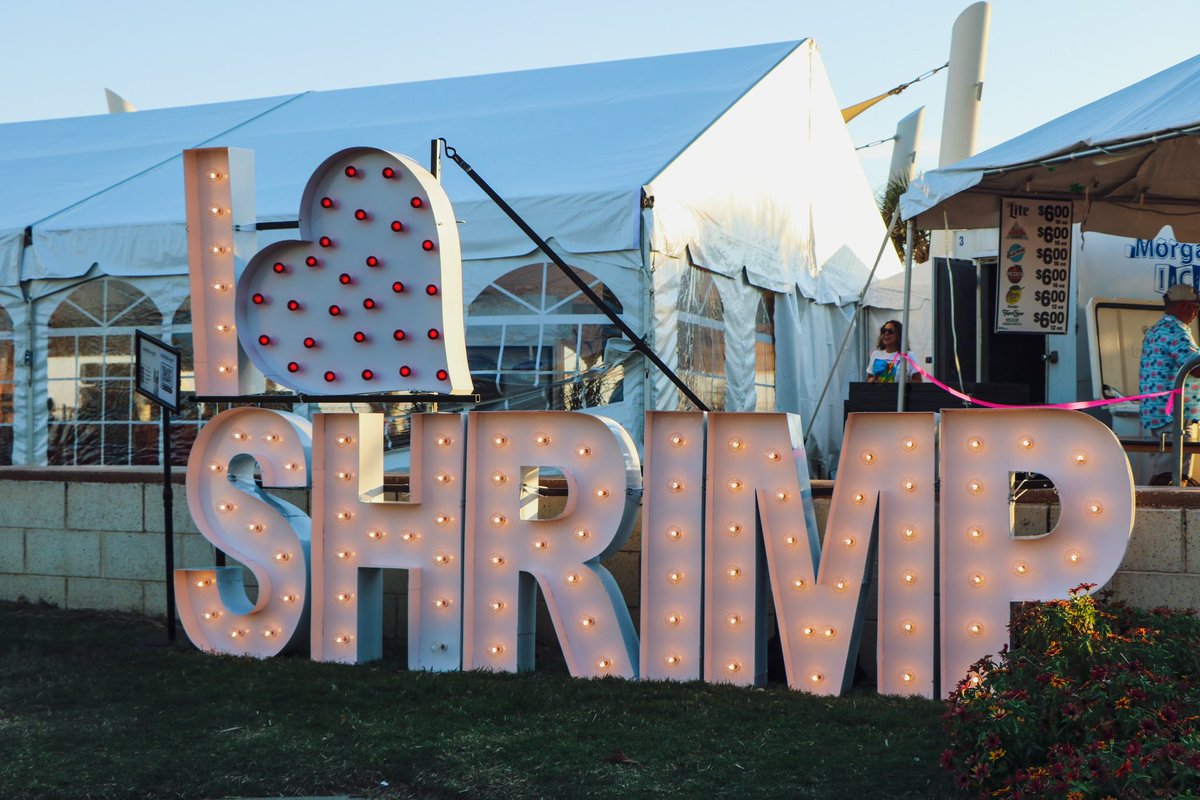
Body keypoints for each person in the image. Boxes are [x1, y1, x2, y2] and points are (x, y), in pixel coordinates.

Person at [1137, 283, 1200, 484]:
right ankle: (1165, 513)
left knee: (1164, 471)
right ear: (1184, 305)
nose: (1196, 313)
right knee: (1174, 478)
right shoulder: (1176, 332)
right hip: (1175, 417)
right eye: (1196, 308)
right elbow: (1196, 367)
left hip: (1158, 415)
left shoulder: (1156, 330)